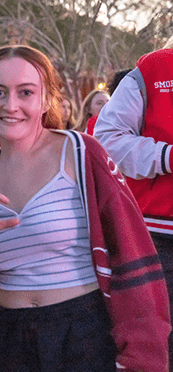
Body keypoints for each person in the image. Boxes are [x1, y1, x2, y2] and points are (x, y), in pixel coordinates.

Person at [0, 45, 169, 371]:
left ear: (47, 99)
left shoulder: (82, 154)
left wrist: (141, 359)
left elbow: (132, 259)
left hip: (82, 334)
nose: (11, 105)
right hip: (5, 339)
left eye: (26, 92)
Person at [94, 35, 173, 369]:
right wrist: (168, 156)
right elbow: (107, 138)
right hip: (159, 238)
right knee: (156, 348)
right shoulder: (154, 68)